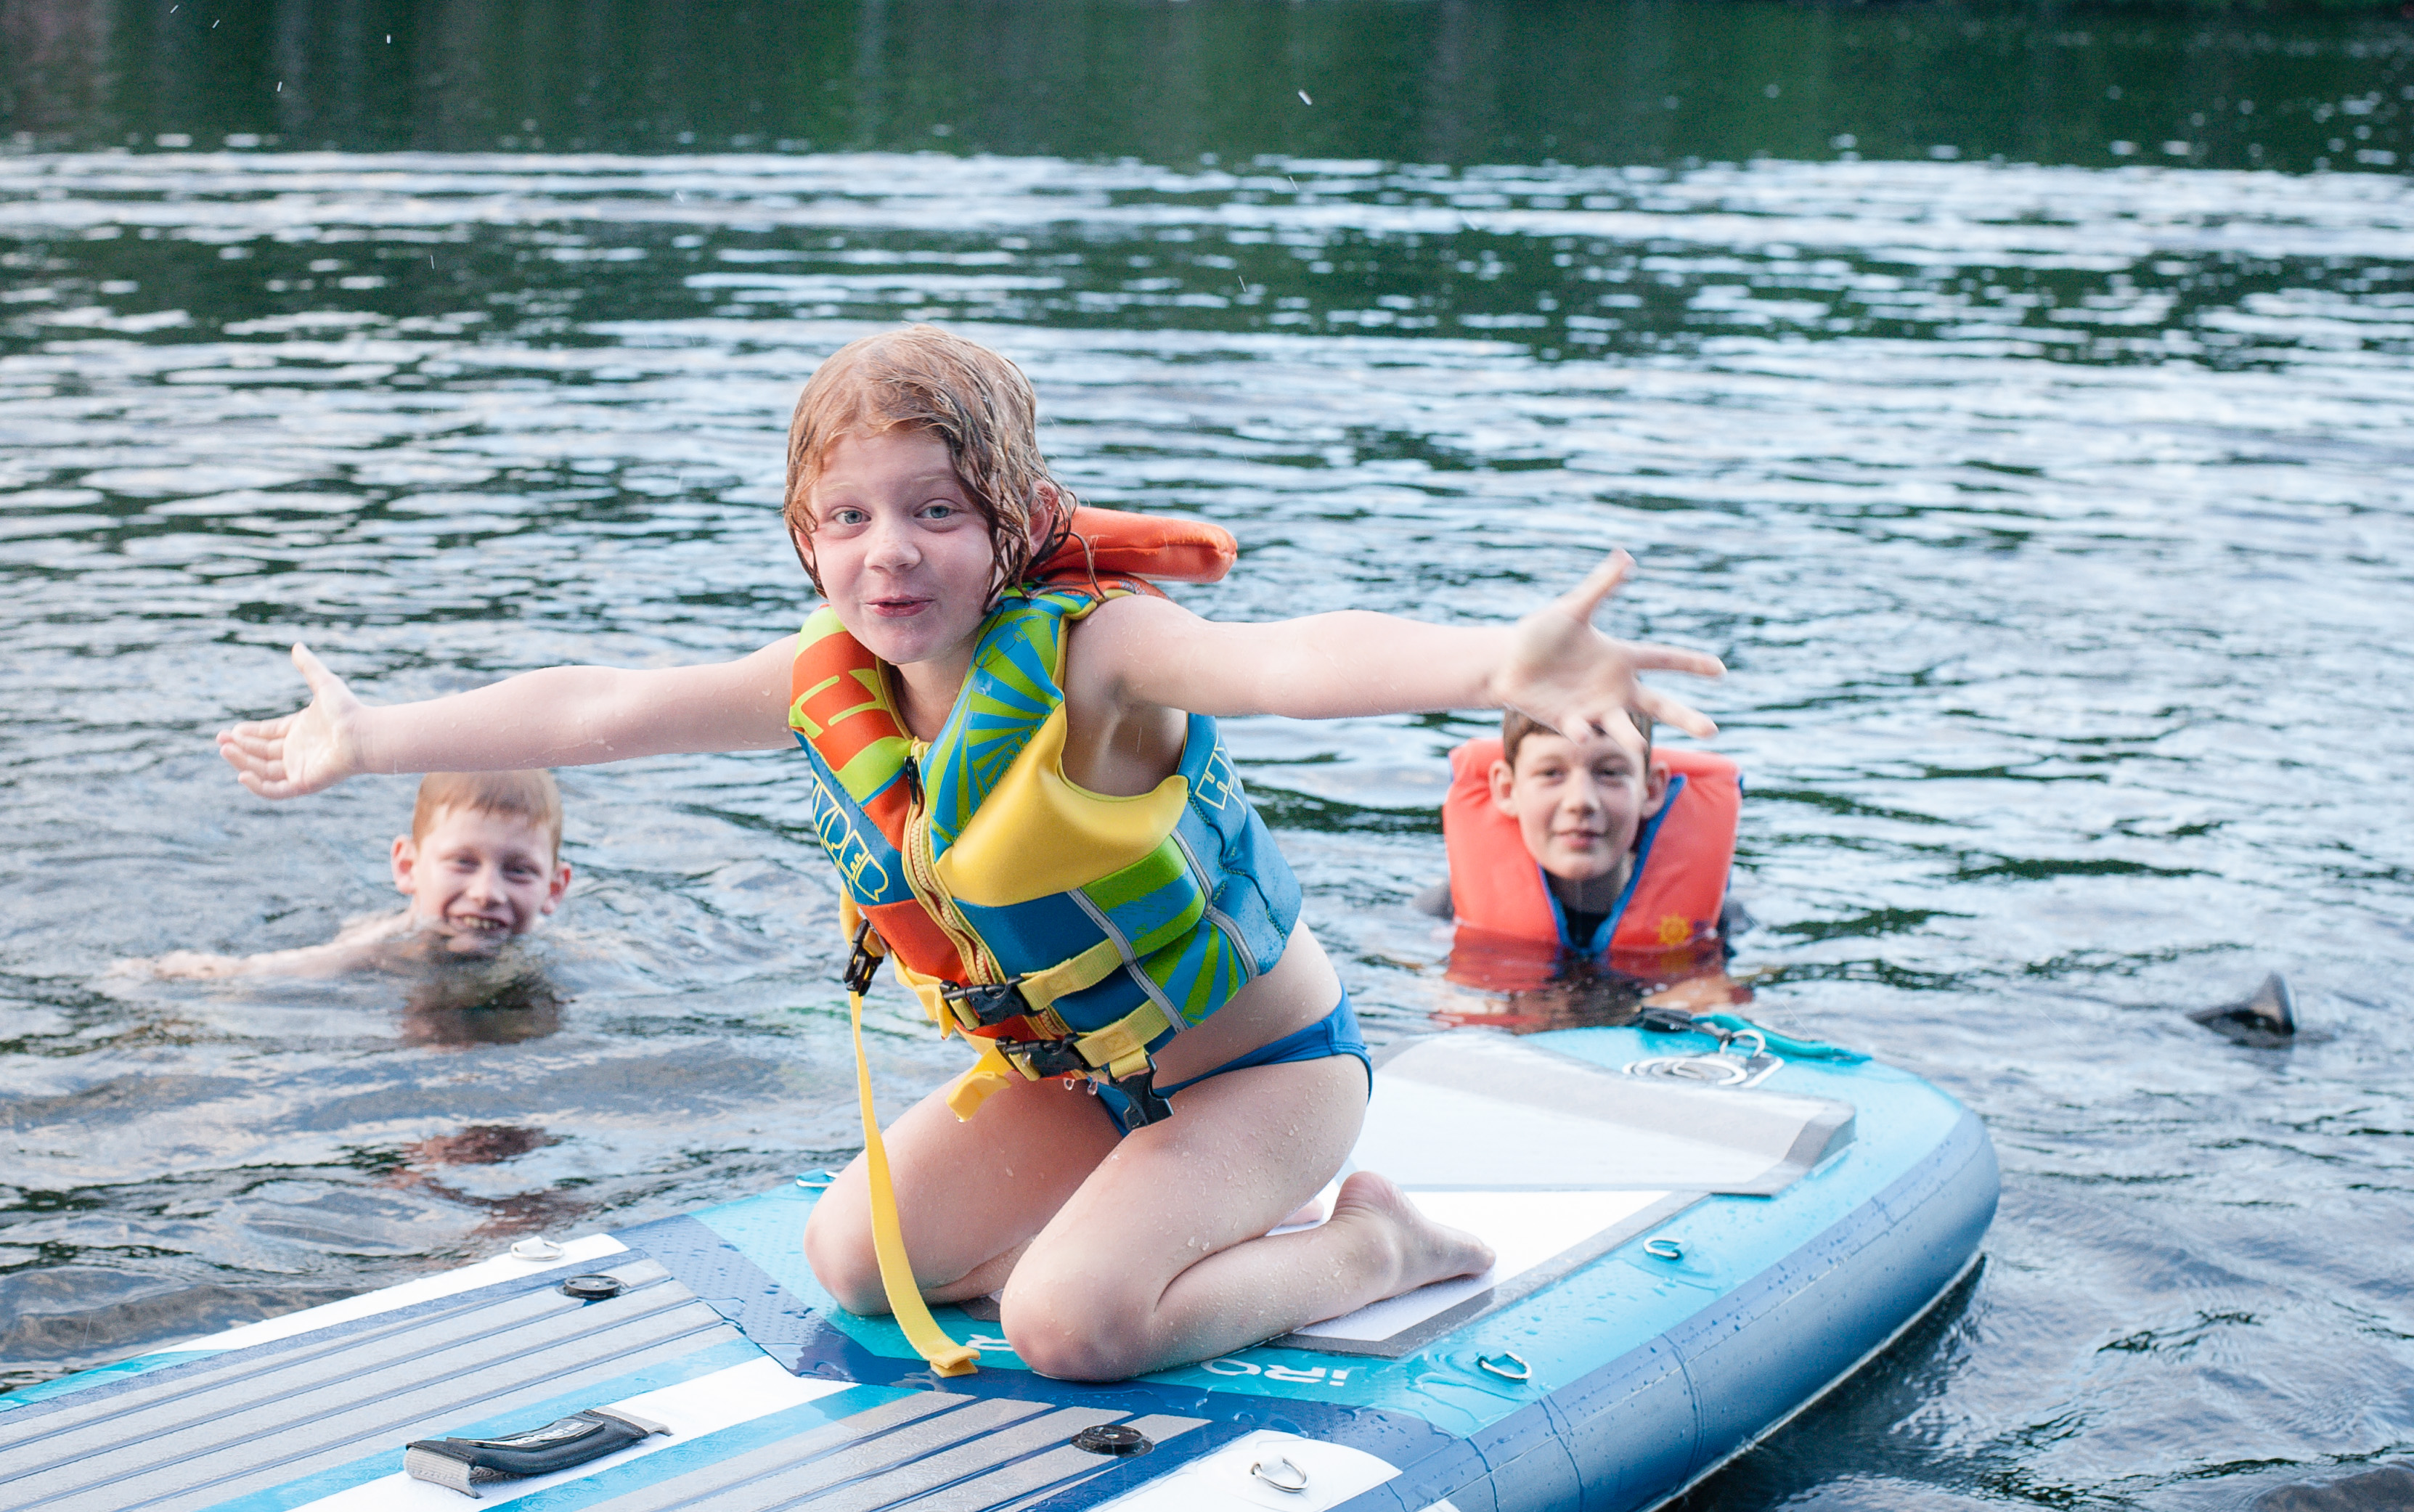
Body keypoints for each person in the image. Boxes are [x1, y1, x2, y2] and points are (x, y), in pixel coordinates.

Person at [215, 325, 1720, 1383]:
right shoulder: (825, 682)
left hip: (1263, 1080)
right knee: (855, 1258)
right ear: (806, 538)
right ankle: (1136, 1227)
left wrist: (1493, 660)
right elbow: (597, 705)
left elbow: (1284, 659)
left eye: (935, 511)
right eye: (849, 516)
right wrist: (375, 735)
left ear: (1012, 523)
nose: (890, 549)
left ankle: (1370, 1250)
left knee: (1073, 1329)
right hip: (1081, 1087)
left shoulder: (1100, 654)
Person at [152, 769, 571, 978]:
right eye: (463, 862)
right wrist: (182, 972)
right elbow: (267, 972)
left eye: (519, 871)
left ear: (554, 889)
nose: (487, 892)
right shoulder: (375, 949)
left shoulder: (562, 951)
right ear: (408, 867)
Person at [1419, 711, 1741, 966]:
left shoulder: (1719, 924)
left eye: (1610, 773)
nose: (1581, 801)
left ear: (1651, 790)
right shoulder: (1442, 913)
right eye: (1551, 773)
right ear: (1507, 789)